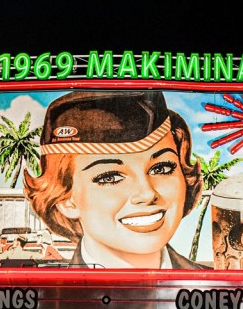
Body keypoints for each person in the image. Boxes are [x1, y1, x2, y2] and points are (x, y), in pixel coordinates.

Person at [23, 90, 209, 270]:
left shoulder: (209, 284)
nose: (146, 193)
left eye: (161, 168)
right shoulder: (48, 288)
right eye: (110, 177)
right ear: (66, 200)